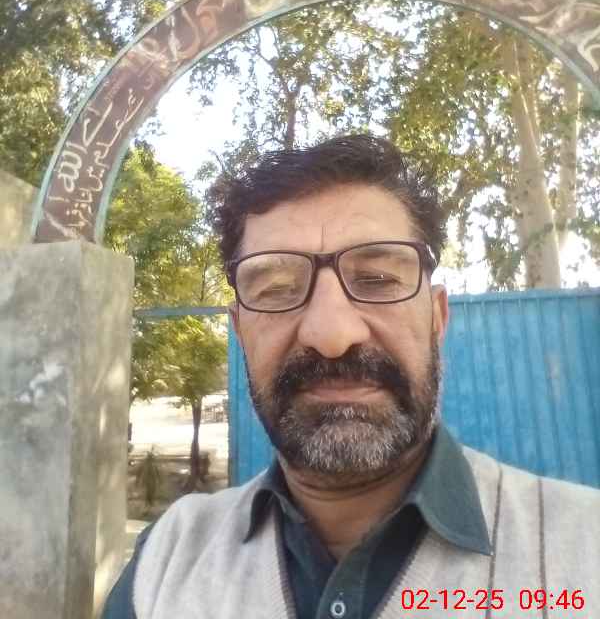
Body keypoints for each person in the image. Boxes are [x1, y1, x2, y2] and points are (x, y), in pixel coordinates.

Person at [102, 133, 600, 619]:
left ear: (437, 317)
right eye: (276, 289)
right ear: (240, 331)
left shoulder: (584, 548)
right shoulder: (164, 564)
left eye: (378, 280)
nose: (332, 335)